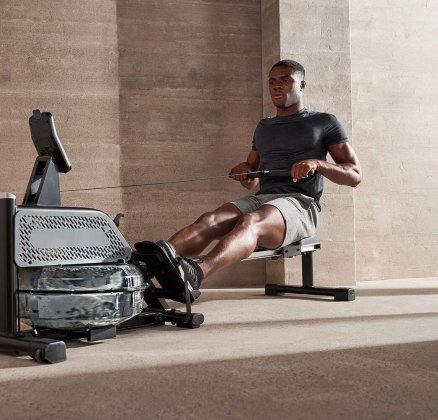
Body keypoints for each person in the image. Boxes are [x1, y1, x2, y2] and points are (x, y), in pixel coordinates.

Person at [134, 59, 362, 302]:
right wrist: (245, 172)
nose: (277, 86)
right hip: (263, 198)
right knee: (210, 220)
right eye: (272, 82)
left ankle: (197, 273)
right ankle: (147, 268)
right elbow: (252, 178)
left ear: (302, 85)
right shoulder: (265, 126)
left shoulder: (323, 122)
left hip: (301, 204)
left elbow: (355, 175)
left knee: (251, 220)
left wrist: (318, 163)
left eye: (285, 80)